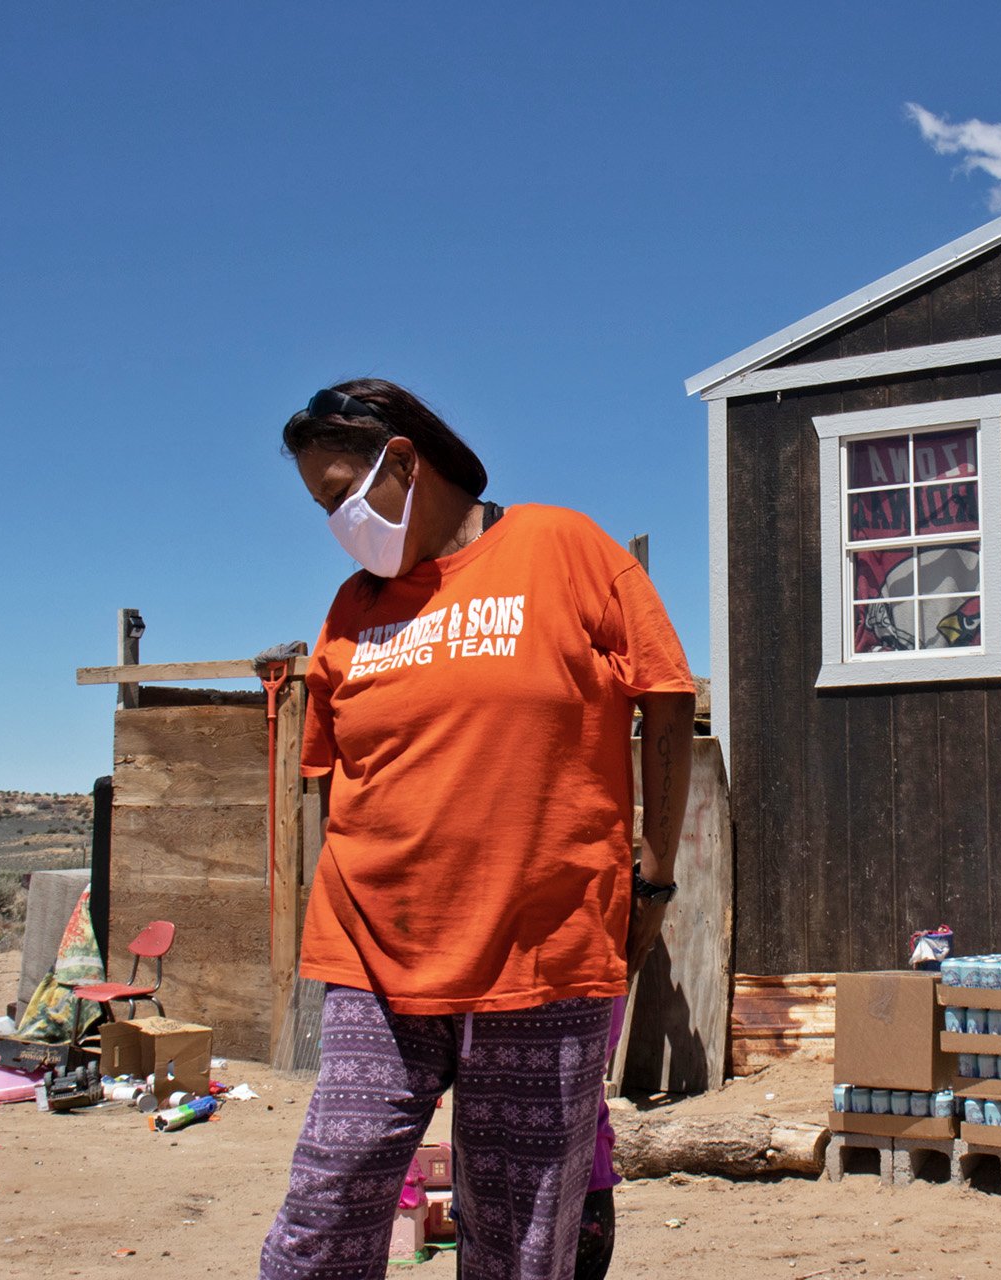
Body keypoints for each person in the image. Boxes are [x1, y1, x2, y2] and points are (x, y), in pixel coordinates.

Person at [260, 379, 695, 1280]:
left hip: (540, 956)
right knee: (324, 1211)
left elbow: (665, 699)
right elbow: (336, 774)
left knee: (520, 1239)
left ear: (405, 462)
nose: (336, 519)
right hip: (374, 956)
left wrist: (652, 877)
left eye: (342, 491)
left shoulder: (563, 547)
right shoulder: (351, 608)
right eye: (320, 505)